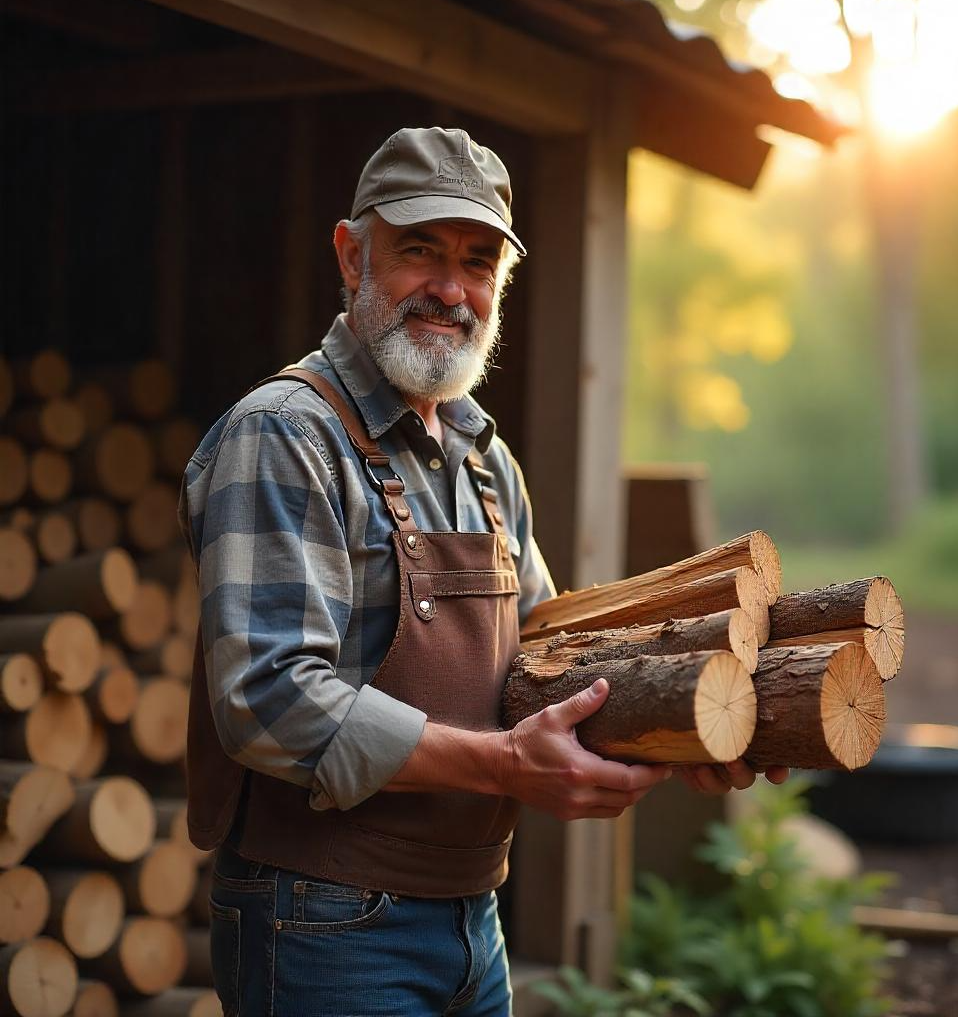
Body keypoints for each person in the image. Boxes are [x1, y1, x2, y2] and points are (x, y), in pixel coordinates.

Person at [180, 127, 783, 1017]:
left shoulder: (482, 459)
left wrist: (686, 726)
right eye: (419, 250)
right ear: (353, 256)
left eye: (478, 262)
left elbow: (546, 662)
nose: (451, 290)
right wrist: (504, 766)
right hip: (322, 920)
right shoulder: (285, 433)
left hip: (471, 919)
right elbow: (266, 699)